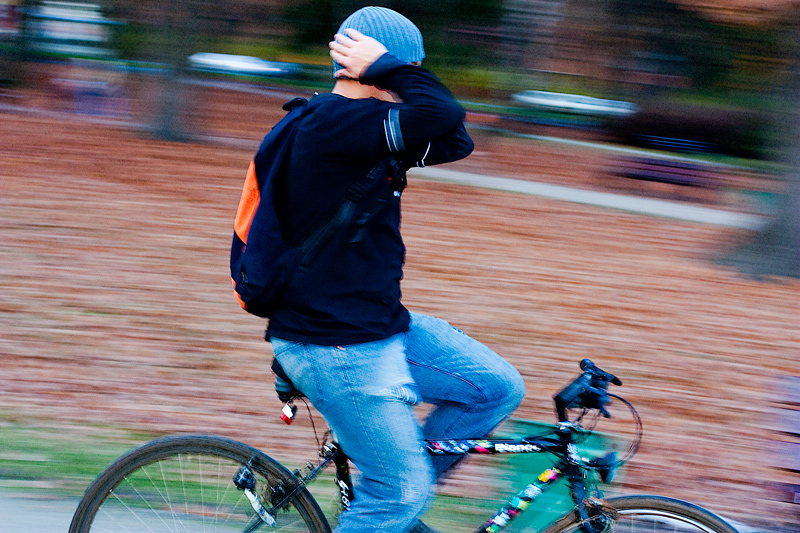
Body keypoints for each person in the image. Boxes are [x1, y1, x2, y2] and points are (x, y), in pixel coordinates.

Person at [266, 7, 526, 533]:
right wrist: (391, 70)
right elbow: (442, 112)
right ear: (376, 65)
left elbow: (455, 137)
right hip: (335, 344)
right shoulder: (333, 124)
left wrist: (394, 75)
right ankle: (391, 503)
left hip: (374, 326)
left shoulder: (372, 130)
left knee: (494, 389)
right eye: (411, 67)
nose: (415, 78)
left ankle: (394, 510)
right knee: (399, 493)